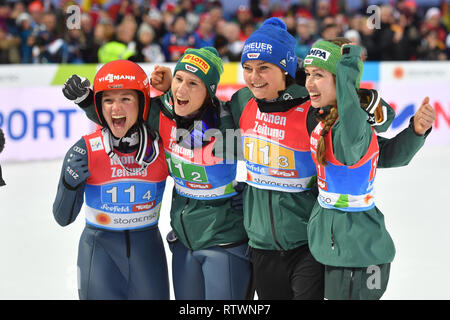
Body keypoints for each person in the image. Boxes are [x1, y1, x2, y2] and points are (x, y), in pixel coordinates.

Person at [62, 47, 251, 300]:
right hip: (184, 239)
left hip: (225, 237)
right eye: (179, 79)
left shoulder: (229, 121)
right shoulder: (162, 115)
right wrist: (86, 99)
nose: (181, 89)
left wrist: (254, 193)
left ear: (210, 90)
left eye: (193, 83)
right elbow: (121, 115)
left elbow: (270, 144)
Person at [304, 38, 435, 299]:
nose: (309, 83)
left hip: (358, 249)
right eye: (307, 74)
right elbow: (382, 154)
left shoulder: (353, 127)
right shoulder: (326, 117)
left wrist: (349, 63)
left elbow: (368, 147)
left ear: (341, 80)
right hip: (331, 241)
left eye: (319, 75)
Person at [53, 60, 170, 300]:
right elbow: (62, 218)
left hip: (148, 254)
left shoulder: (161, 148)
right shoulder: (86, 149)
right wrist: (68, 184)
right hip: (99, 255)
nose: (116, 108)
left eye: (126, 99)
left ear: (142, 103)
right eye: (108, 100)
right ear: (98, 105)